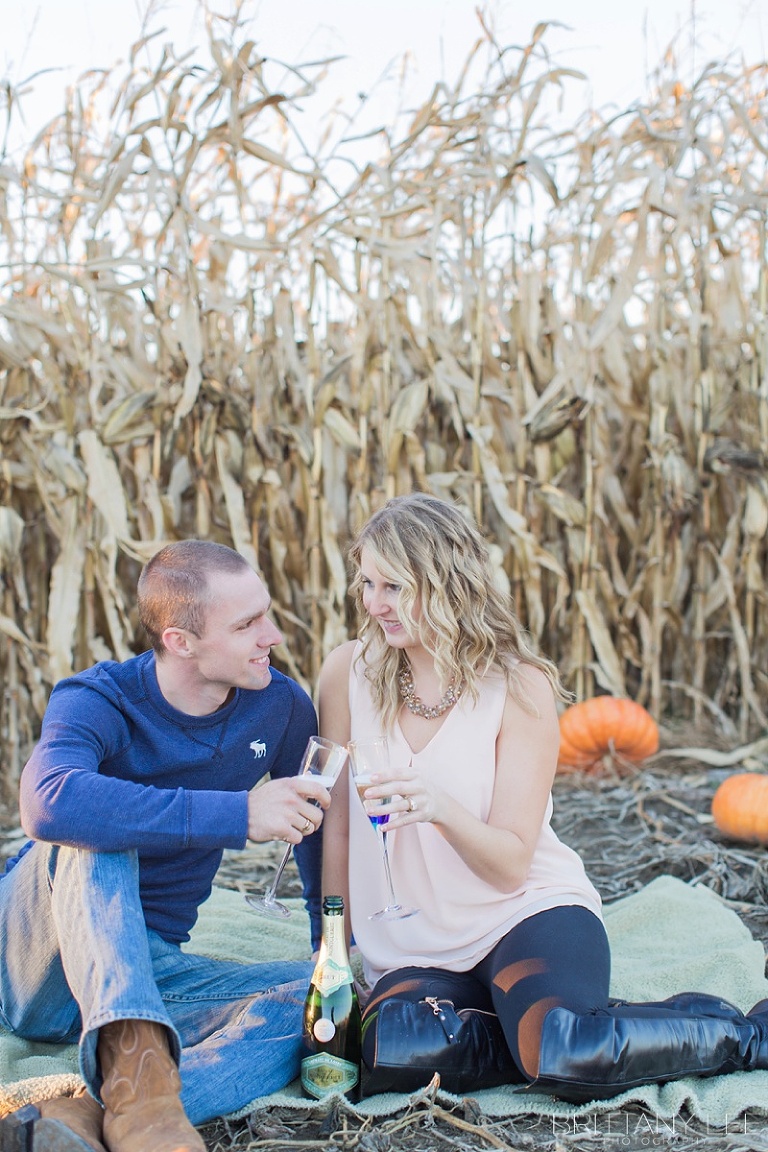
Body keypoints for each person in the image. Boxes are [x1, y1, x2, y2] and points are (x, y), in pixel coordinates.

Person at [319, 492, 768, 1102]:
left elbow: (509, 866)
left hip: (524, 917)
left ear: (447, 582)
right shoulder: (348, 672)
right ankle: (538, 1030)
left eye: (394, 587)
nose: (374, 604)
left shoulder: (519, 687)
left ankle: (747, 1036)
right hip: (410, 940)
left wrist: (441, 806)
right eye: (367, 583)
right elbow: (340, 829)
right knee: (388, 1051)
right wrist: (334, 948)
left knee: (565, 1052)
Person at [0, 541, 330, 1152]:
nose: (274, 635)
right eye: (247, 624)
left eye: (267, 614)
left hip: (149, 973)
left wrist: (325, 951)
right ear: (181, 640)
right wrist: (238, 813)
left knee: (321, 1002)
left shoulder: (278, 706)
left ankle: (92, 1111)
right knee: (94, 825)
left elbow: (315, 831)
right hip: (31, 968)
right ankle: (139, 1094)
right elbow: (48, 801)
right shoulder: (98, 698)